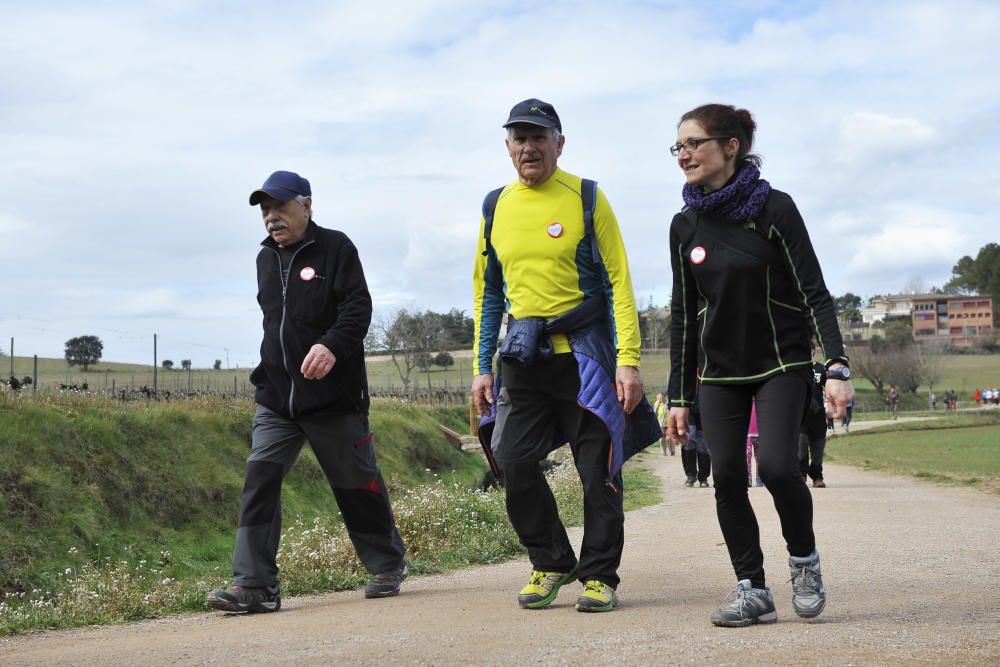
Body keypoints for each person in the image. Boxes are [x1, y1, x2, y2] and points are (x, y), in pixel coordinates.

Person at [665, 104, 854, 627]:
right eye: (677, 146)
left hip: (781, 363)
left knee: (775, 467)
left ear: (731, 146)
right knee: (725, 475)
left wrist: (836, 365)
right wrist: (679, 397)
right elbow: (683, 316)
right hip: (719, 374)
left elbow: (816, 292)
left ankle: (804, 561)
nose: (684, 155)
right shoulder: (685, 225)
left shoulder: (776, 209)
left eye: (694, 143)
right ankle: (753, 589)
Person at [472, 99, 657, 614]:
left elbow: (619, 281)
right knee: (509, 456)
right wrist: (480, 367)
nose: (528, 147)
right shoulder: (495, 205)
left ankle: (600, 575)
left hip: (584, 358)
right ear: (507, 146)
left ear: (559, 141)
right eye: (518, 138)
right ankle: (550, 560)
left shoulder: (587, 197)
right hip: (522, 359)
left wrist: (628, 359)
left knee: (598, 470)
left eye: (539, 137)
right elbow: (488, 294)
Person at [207, 170, 407, 614]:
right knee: (260, 480)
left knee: (355, 484)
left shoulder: (336, 247)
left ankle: (387, 563)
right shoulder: (265, 260)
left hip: (333, 398)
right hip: (277, 398)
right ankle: (255, 586)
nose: (271, 217)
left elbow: (359, 308)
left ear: (307, 204)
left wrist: (331, 345)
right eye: (265, 209)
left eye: (280, 207)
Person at [799, 355, 828, 488]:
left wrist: (831, 406)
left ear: (812, 351)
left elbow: (828, 388)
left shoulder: (821, 369)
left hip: (819, 414)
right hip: (801, 415)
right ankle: (801, 473)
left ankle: (817, 475)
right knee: (802, 443)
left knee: (818, 448)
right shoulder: (797, 369)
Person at [682, 389, 711, 487]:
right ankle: (690, 475)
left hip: (705, 408)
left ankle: (703, 477)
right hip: (688, 408)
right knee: (689, 438)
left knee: (703, 444)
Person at [746, 399, 762, 487]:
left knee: (759, 457)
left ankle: (759, 478)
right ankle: (748, 477)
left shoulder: (761, 399)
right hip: (747, 434)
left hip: (759, 433)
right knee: (747, 456)